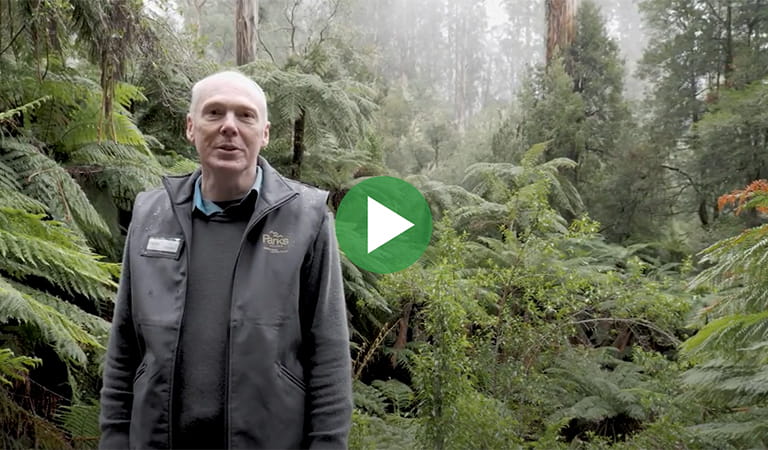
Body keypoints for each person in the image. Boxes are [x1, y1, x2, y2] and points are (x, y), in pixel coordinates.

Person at [99, 71, 352, 449]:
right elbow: (123, 349)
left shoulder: (307, 219)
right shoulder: (151, 213)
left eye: (245, 115)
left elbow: (328, 355)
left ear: (264, 133)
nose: (229, 126)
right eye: (214, 112)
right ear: (191, 127)